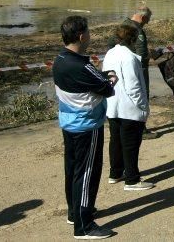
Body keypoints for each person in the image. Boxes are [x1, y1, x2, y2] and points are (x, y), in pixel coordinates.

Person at [53, 16, 117, 239]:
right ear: (81, 36)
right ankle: (84, 226)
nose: (90, 35)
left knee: (72, 170)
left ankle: (75, 212)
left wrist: (100, 77)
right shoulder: (81, 64)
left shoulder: (60, 60)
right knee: (87, 173)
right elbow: (106, 89)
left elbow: (88, 81)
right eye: (89, 32)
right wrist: (111, 79)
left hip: (69, 123)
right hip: (87, 125)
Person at [102, 24, 154, 191]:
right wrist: (143, 107)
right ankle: (132, 179)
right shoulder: (130, 58)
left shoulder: (110, 53)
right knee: (130, 143)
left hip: (112, 105)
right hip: (129, 107)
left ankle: (115, 173)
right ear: (132, 39)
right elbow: (133, 86)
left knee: (115, 140)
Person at [108, 4, 160, 140]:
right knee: (141, 95)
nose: (148, 22)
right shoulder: (138, 30)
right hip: (137, 69)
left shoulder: (122, 26)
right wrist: (152, 54)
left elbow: (110, 44)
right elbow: (142, 55)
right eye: (147, 19)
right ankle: (141, 130)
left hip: (117, 67)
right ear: (142, 17)